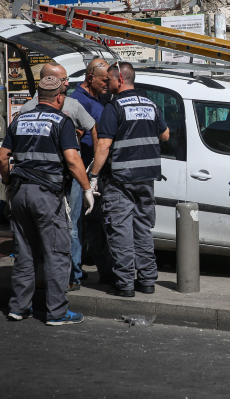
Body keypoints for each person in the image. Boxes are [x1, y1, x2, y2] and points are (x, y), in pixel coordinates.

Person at [0, 74, 94, 325]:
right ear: (59, 97)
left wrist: (8, 183)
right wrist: (86, 189)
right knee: (56, 252)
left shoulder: (19, 120)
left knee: (25, 251)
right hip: (46, 195)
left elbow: (2, 158)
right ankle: (57, 312)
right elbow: (73, 160)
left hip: (19, 194)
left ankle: (18, 308)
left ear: (39, 96)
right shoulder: (62, 122)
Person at [91, 62, 169, 297]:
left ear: (120, 80)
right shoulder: (150, 103)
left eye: (110, 80)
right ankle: (147, 281)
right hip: (146, 178)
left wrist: (93, 176)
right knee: (143, 228)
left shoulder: (114, 108)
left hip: (120, 179)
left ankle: (124, 284)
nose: (107, 85)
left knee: (121, 230)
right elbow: (165, 135)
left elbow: (104, 145)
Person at [20, 62, 95, 292]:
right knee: (69, 227)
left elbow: (9, 152)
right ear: (48, 80)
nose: (67, 83)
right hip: (61, 177)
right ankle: (71, 276)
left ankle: (49, 276)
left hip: (36, 179)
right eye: (63, 80)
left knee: (41, 228)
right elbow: (91, 133)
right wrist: (87, 183)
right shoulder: (68, 106)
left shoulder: (26, 110)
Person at [71, 58, 115, 286]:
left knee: (94, 222)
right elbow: (75, 137)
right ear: (90, 78)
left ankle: (99, 270)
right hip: (83, 172)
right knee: (79, 223)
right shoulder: (78, 100)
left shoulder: (97, 98)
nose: (108, 83)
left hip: (94, 170)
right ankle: (74, 273)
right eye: (104, 80)